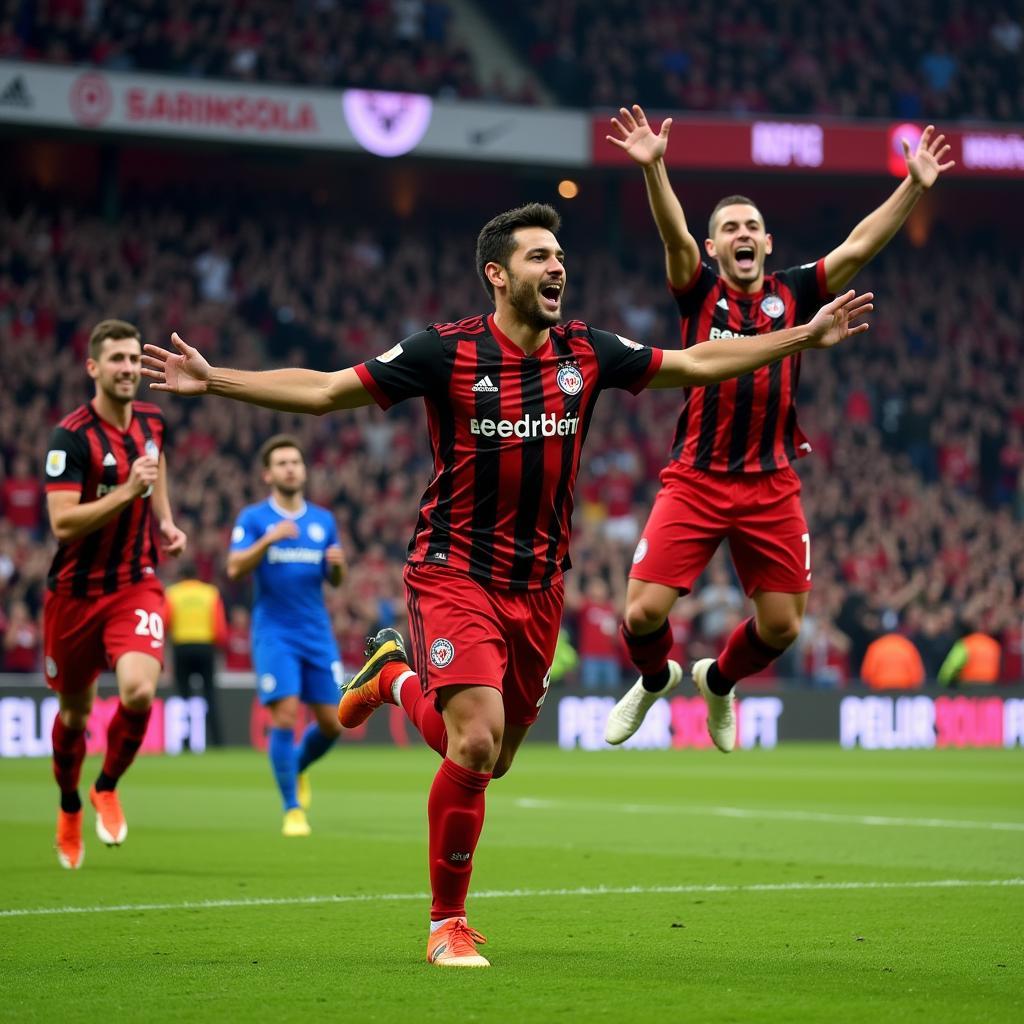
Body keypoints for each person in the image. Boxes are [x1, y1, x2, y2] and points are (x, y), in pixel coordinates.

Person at [142, 202, 872, 967]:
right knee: (478, 738)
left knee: (494, 758)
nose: (557, 268)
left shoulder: (588, 351)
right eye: (538, 258)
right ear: (498, 275)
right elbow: (328, 391)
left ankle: (392, 678)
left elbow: (692, 364)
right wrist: (216, 380)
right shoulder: (442, 352)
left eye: (559, 256)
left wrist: (799, 336)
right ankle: (445, 924)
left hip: (538, 588)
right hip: (454, 571)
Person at [602, 105, 953, 751]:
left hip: (770, 481)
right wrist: (655, 169)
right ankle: (654, 682)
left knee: (784, 626)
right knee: (642, 613)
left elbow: (859, 246)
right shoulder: (696, 288)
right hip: (697, 477)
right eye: (729, 226)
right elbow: (674, 238)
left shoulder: (796, 292)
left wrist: (913, 186)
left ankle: (719, 681)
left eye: (752, 227)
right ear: (715, 247)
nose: (742, 233)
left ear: (767, 244)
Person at [43, 318, 187, 870]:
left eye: (133, 359)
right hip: (74, 596)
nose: (128, 369)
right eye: (117, 360)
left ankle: (107, 784)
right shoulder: (71, 437)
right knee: (75, 717)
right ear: (94, 368)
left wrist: (165, 520)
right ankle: (68, 804)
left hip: (134, 583)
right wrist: (128, 490)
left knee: (138, 692)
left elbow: (157, 464)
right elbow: (61, 524)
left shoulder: (152, 419)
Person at [227, 435, 347, 837]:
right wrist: (269, 540)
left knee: (334, 723)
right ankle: (292, 809)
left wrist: (337, 566)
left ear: (304, 470)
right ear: (268, 474)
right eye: (281, 463)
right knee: (285, 714)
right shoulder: (254, 519)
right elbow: (234, 568)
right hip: (275, 632)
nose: (290, 468)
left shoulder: (323, 520)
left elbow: (335, 579)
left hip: (316, 632)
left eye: (295, 461)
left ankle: (295, 767)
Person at [165, 563, 228, 747]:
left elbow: (165, 622)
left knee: (184, 696)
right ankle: (217, 742)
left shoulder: (172, 593)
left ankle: (185, 742)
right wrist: (220, 648)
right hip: (205, 648)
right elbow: (220, 627)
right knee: (210, 694)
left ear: (181, 576)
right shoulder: (210, 593)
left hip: (182, 647)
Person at [860, 631, 926, 689]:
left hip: (880, 693)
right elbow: (917, 676)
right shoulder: (907, 646)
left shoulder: (876, 646)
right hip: (905, 693)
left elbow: (867, 674)